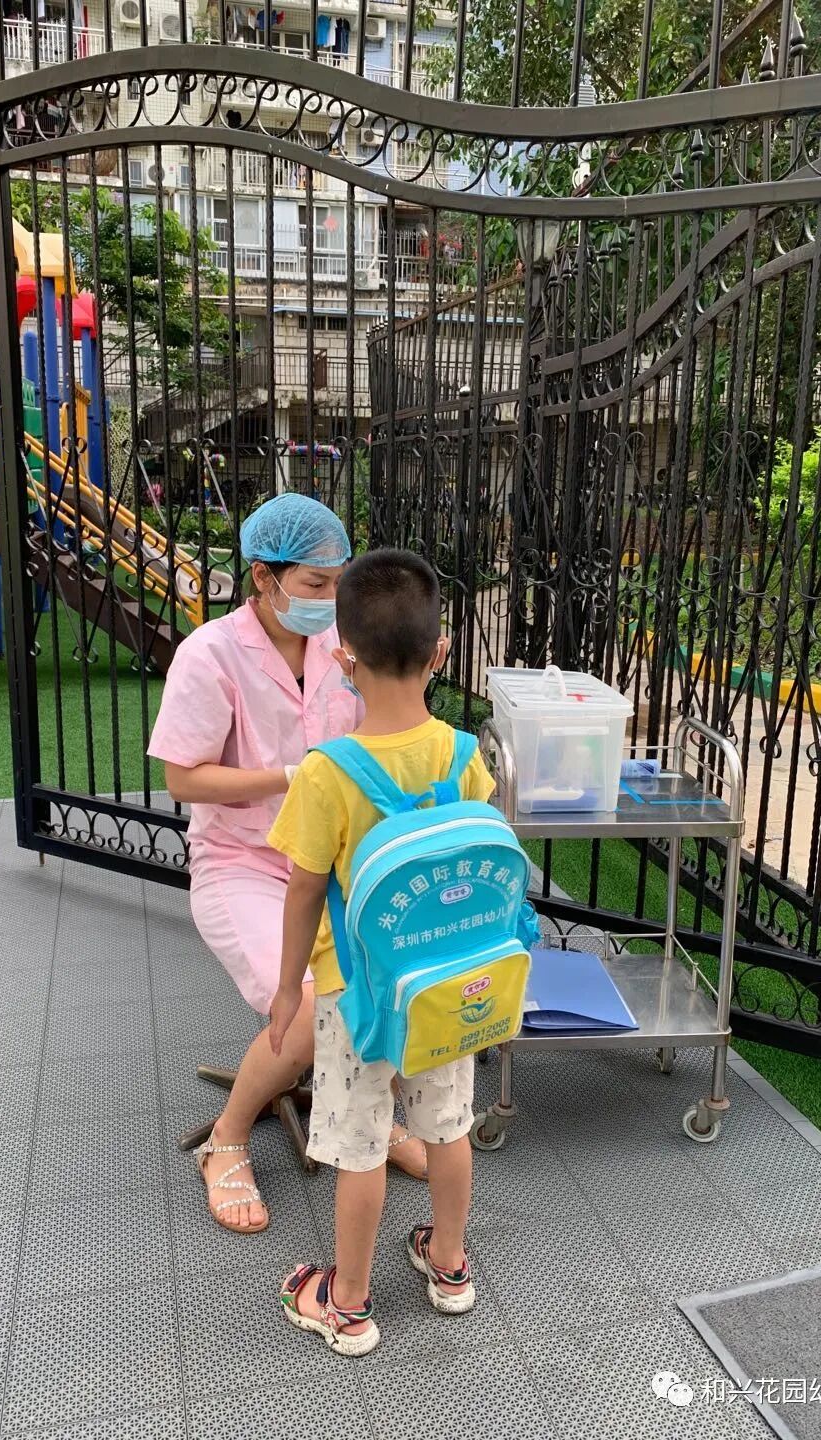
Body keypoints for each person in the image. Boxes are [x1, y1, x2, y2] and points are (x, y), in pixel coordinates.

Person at [147, 495, 428, 1235]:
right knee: (307, 1004)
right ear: (263, 577)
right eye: (314, 583)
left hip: (334, 857)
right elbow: (182, 778)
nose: (330, 597)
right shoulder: (210, 654)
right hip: (241, 859)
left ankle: (374, 1112)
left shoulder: (345, 645)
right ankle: (227, 1139)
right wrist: (291, 777)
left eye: (339, 580)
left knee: (393, 972)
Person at [267, 549, 496, 1355]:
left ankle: (350, 1304)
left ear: (342, 658)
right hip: (445, 984)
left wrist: (287, 988)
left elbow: (303, 890)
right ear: (441, 653)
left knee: (361, 1146)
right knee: (446, 1127)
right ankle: (450, 1266)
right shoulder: (463, 755)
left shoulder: (327, 773)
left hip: (356, 993)